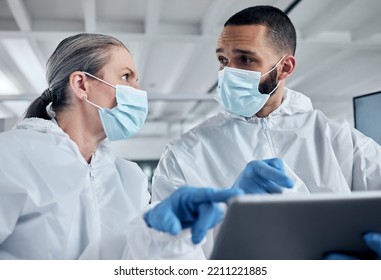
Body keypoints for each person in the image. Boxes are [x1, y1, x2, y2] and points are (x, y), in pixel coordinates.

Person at [0, 32, 294, 260]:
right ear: (81, 85)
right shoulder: (11, 157)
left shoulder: (129, 177)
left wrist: (168, 237)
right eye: (126, 77)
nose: (138, 92)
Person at [151, 5, 381, 259]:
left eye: (246, 59)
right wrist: (229, 214)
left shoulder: (339, 139)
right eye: (223, 60)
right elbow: (165, 254)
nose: (228, 73)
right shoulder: (184, 153)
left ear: (284, 68)